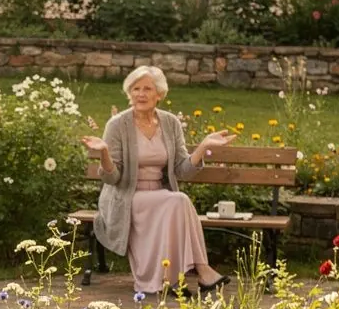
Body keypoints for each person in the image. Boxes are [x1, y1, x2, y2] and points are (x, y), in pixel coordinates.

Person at [82, 65, 235, 296]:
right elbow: (113, 178)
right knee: (178, 201)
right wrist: (103, 152)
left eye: (147, 89)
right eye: (135, 89)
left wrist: (203, 146)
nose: (140, 94)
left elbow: (182, 171)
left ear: (159, 94)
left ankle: (172, 279)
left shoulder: (170, 123)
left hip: (161, 196)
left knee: (177, 201)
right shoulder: (117, 125)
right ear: (129, 93)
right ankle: (199, 271)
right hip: (126, 197)